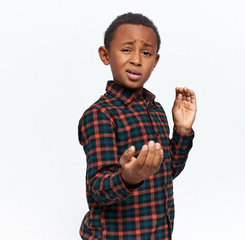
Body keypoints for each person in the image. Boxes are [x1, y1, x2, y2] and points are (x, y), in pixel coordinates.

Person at [78, 12, 197, 239]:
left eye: (146, 52)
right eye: (126, 49)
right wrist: (127, 177)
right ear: (105, 55)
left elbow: (167, 171)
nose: (136, 60)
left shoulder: (156, 110)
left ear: (155, 61)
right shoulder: (100, 115)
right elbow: (99, 188)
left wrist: (182, 130)